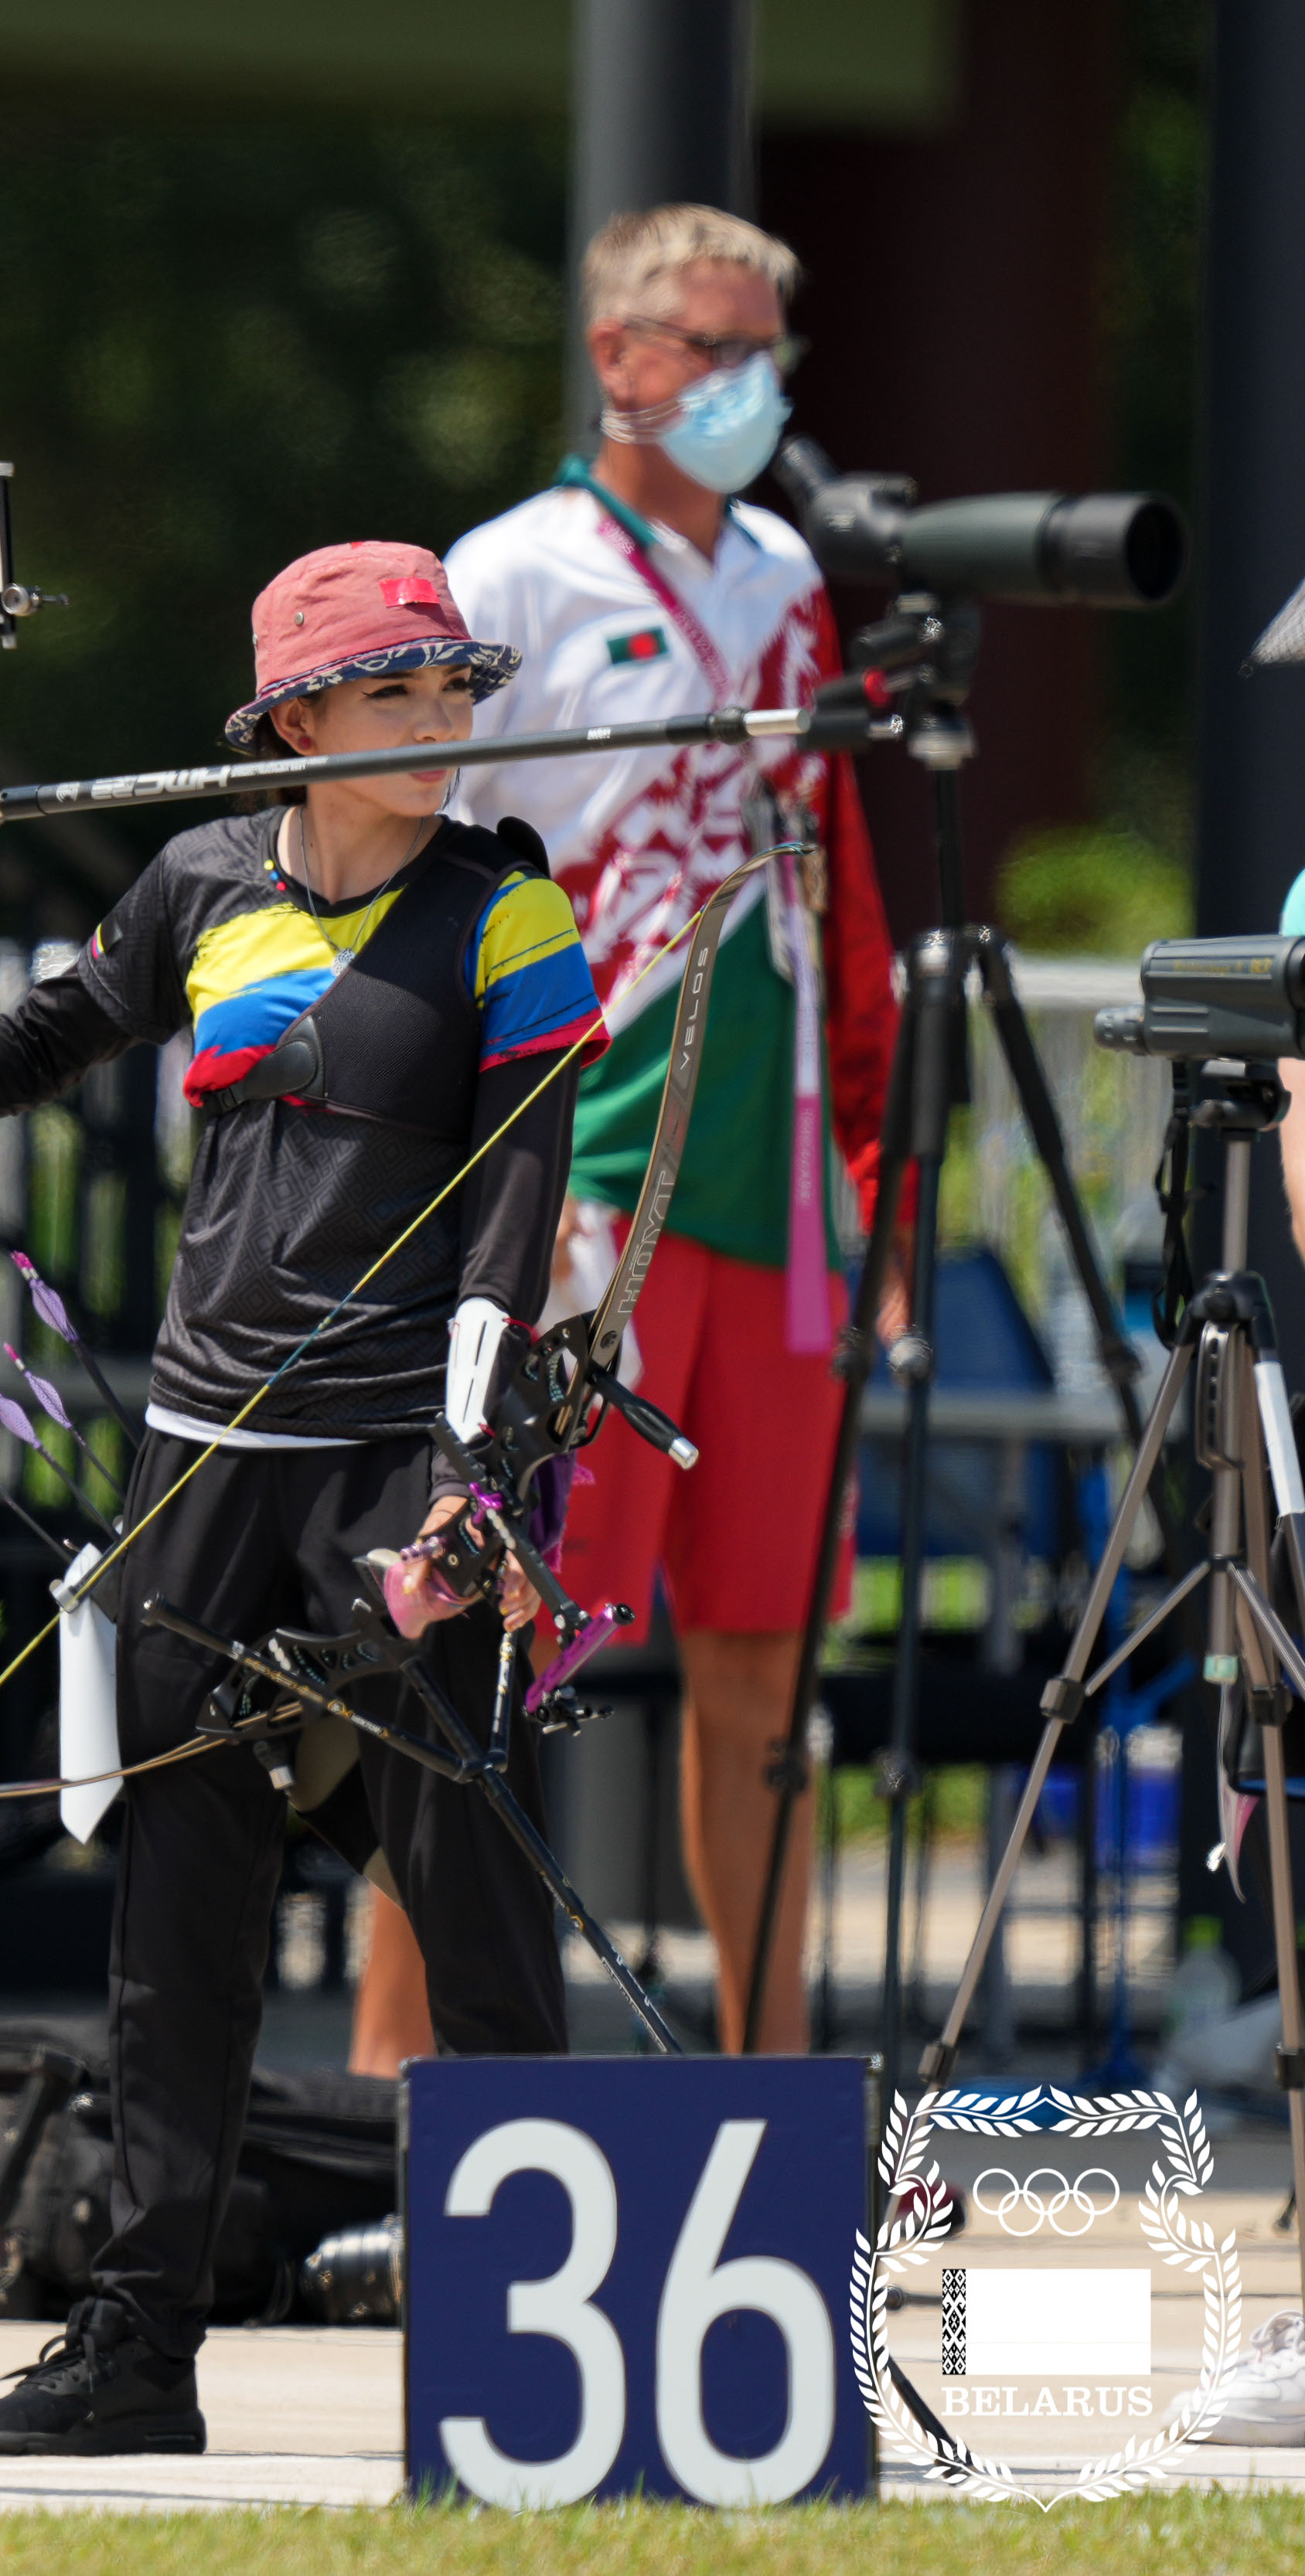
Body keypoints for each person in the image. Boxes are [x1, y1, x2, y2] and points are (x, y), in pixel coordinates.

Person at [0, 543, 598, 2457]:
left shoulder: (506, 912)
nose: (439, 721)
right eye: (396, 691)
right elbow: (45, 1038)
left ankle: (557, 2344)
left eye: (454, 687)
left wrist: (470, 1483)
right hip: (199, 1454)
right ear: (296, 722)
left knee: (473, 1897)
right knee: (178, 1910)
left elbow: (511, 1218)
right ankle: (138, 2342)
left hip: (405, 1458)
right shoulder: (200, 882)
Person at [425, 204, 897, 2060]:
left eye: (767, 351)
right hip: (586, 1155)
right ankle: (415, 2088)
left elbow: (842, 878)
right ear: (615, 358)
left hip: (771, 1171)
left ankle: (772, 2080)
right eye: (712, 348)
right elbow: (430, 861)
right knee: (499, 1636)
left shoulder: (786, 568)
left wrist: (876, 1168)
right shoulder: (508, 572)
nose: (746, 386)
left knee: (764, 1656)